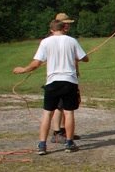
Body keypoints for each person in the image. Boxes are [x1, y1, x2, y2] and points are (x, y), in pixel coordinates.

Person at [13, 19, 89, 154]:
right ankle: (69, 143)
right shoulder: (72, 41)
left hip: (52, 82)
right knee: (69, 113)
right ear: (63, 28)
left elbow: (36, 63)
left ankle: (42, 145)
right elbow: (85, 58)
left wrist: (23, 69)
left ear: (51, 30)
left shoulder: (45, 42)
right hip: (69, 81)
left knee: (47, 113)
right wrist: (77, 57)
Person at [50, 12, 78, 143]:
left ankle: (64, 130)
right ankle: (57, 133)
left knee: (65, 106)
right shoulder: (54, 39)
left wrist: (76, 70)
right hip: (59, 78)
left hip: (69, 76)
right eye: (66, 23)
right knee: (59, 107)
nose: (68, 26)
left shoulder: (68, 39)